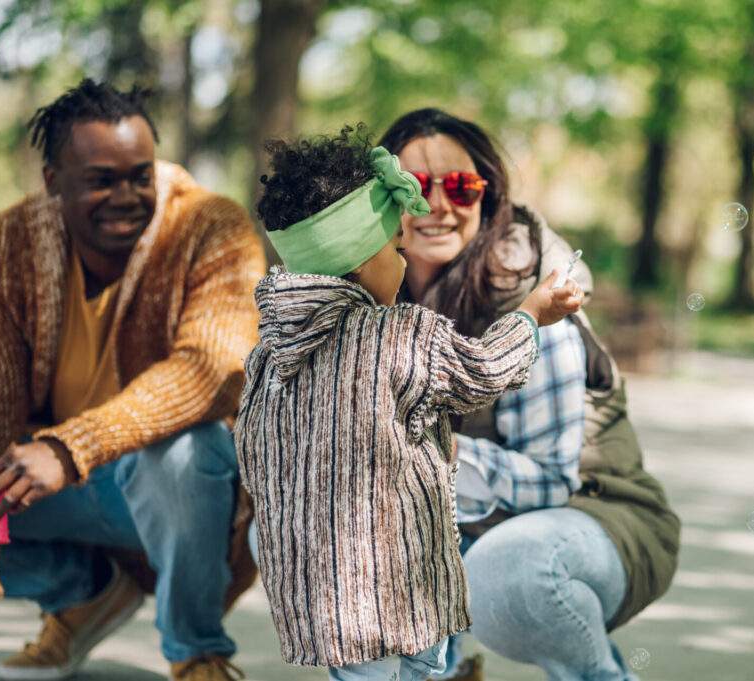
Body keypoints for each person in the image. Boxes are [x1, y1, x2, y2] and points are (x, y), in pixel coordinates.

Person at [234, 127, 583, 681]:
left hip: (322, 593)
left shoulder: (266, 353)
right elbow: (485, 371)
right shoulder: (401, 335)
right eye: (397, 248)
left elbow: (252, 446)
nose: (403, 261)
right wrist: (532, 314)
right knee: (420, 668)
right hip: (400, 581)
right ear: (363, 255)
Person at [378, 109, 682, 681]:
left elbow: (549, 480)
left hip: (593, 516)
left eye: (462, 186)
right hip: (466, 524)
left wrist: (420, 452)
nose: (440, 205)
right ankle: (450, 666)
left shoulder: (534, 303)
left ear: (487, 199)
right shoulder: (371, 299)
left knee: (510, 575)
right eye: (415, 186)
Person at [0, 80, 266, 681]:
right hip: (52, 488)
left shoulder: (213, 227)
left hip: (175, 492)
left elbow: (210, 374)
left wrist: (69, 446)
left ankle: (195, 651)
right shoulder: (5, 248)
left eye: (141, 175)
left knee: (190, 449)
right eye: (102, 180)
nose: (128, 196)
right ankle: (81, 597)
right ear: (54, 179)